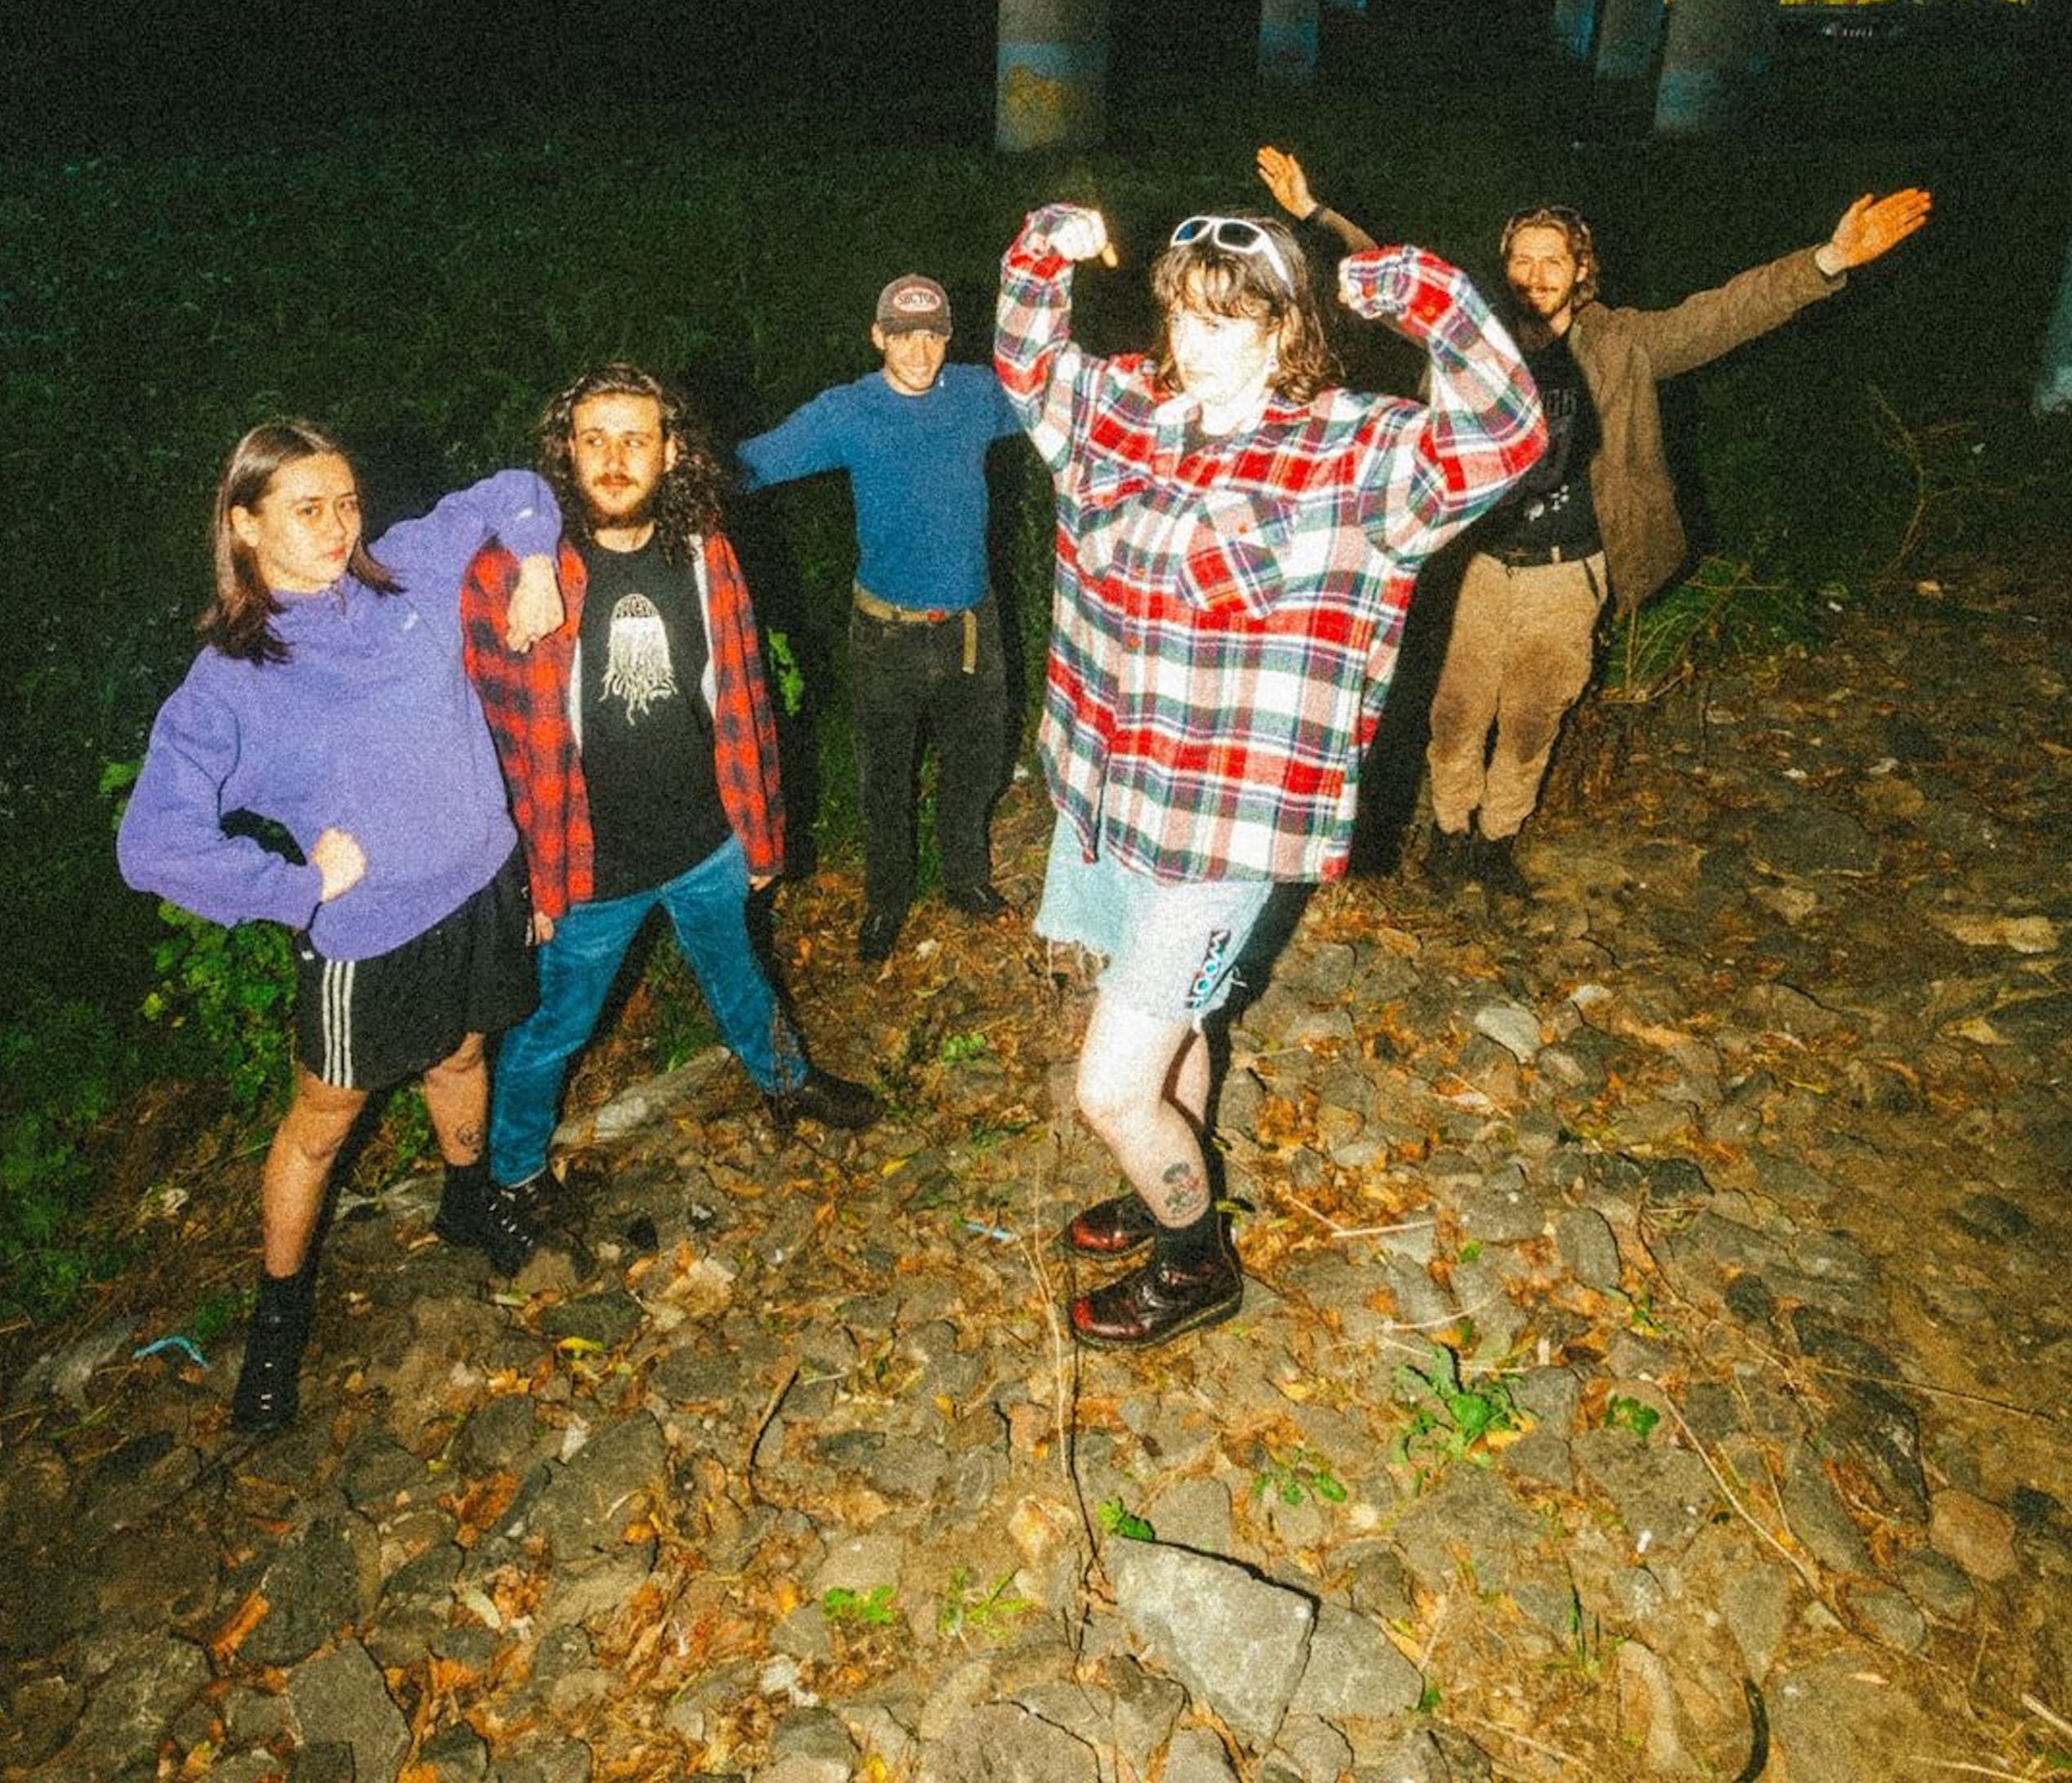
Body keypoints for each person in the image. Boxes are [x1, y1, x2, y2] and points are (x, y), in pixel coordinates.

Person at [995, 203, 1546, 1347]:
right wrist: (1046, 246)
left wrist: (1425, 297)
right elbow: (1027, 358)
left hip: (1229, 829)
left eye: (1231, 321)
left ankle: (1198, 1259)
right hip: (1112, 796)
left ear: (1286, 325)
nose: (1198, 344)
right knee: (1183, 1025)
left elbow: (1506, 436)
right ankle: (1169, 1182)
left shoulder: (1358, 453)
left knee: (1108, 1091)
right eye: (1184, 316)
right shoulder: (1124, 414)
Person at [1258, 147, 1932, 900]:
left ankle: (1496, 842)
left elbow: (1729, 312)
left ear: (1583, 271)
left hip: (1568, 571)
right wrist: (1315, 215)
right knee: (1454, 713)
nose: (1536, 275)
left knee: (1533, 719)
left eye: (1554, 260)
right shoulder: (1471, 338)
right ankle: (1449, 836)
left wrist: (1830, 257)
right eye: (1522, 259)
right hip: (1475, 565)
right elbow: (1391, 279)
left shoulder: (1626, 345)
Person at [117, 423, 567, 1435]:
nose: (337, 527)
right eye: (307, 510)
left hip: (482, 880)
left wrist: (535, 566)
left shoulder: (404, 571)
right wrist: (293, 884)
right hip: (368, 934)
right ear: (243, 523)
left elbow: (516, 485)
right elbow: (151, 843)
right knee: (325, 1121)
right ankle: (277, 1319)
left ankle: (466, 1198)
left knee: (462, 1050)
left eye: (346, 502)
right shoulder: (230, 680)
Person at [464, 366, 881, 1198]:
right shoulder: (512, 574)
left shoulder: (703, 551)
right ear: (565, 452)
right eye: (593, 441)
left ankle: (785, 1082)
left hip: (705, 842)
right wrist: (530, 881)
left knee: (740, 975)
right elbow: (487, 745)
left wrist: (758, 831)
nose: (614, 460)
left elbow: (743, 696)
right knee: (552, 1030)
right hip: (588, 869)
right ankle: (511, 1174)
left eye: (635, 440)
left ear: (670, 451)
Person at [738, 277, 1022, 962]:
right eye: (902, 334)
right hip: (884, 635)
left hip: (970, 629)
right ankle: (886, 899)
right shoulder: (846, 412)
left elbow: (1065, 404)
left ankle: (966, 878)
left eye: (931, 334)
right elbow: (751, 465)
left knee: (976, 765)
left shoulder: (979, 395)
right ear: (878, 336)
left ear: (949, 337)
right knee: (884, 780)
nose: (919, 351)